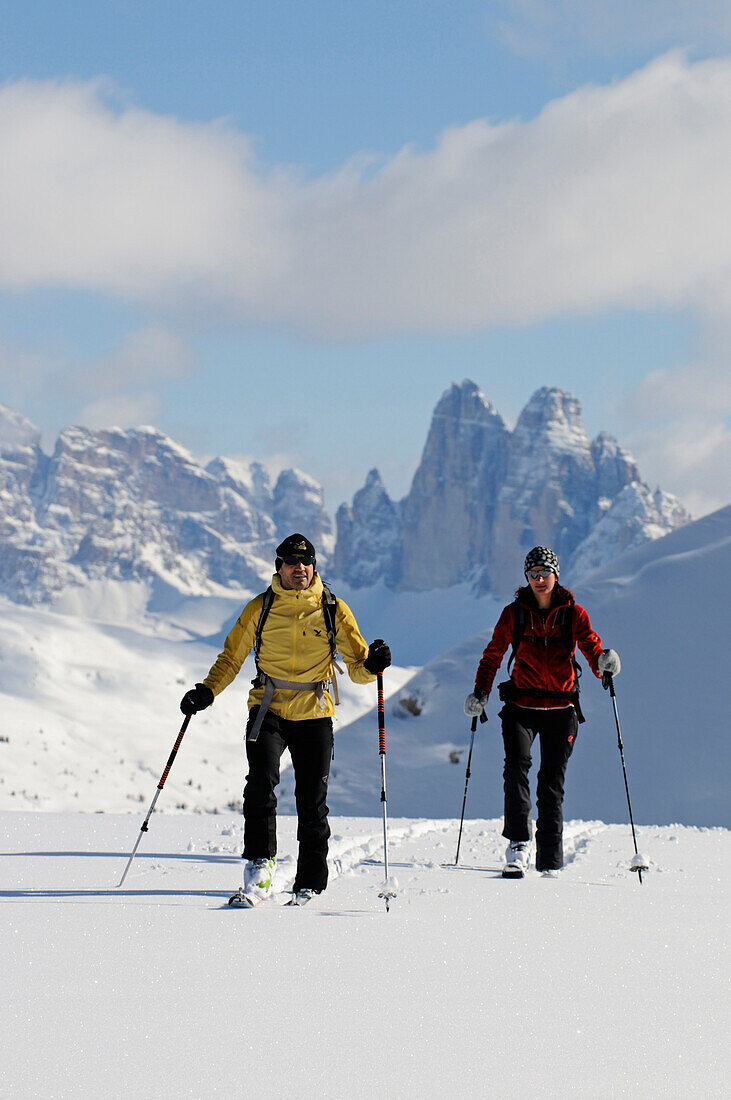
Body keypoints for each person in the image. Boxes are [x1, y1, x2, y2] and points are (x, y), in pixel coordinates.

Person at [180, 533, 391, 906]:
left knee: (312, 800)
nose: (300, 568)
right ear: (279, 567)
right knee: (260, 785)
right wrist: (208, 691)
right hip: (268, 708)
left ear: (314, 567)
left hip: (315, 712)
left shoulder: (333, 608)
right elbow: (231, 658)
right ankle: (260, 866)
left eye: (306, 562)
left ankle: (310, 880)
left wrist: (373, 665)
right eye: (292, 562)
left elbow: (357, 667)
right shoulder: (259, 608)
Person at [464, 546, 620, 879]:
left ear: (556, 576)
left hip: (561, 709)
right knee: (516, 770)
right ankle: (518, 846)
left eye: (544, 573)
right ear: (526, 578)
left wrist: (603, 663)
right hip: (521, 707)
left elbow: (591, 646)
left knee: (551, 782)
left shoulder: (573, 613)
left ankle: (549, 860)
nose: (538, 580)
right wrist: (481, 693)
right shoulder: (514, 614)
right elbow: (492, 655)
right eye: (532, 574)